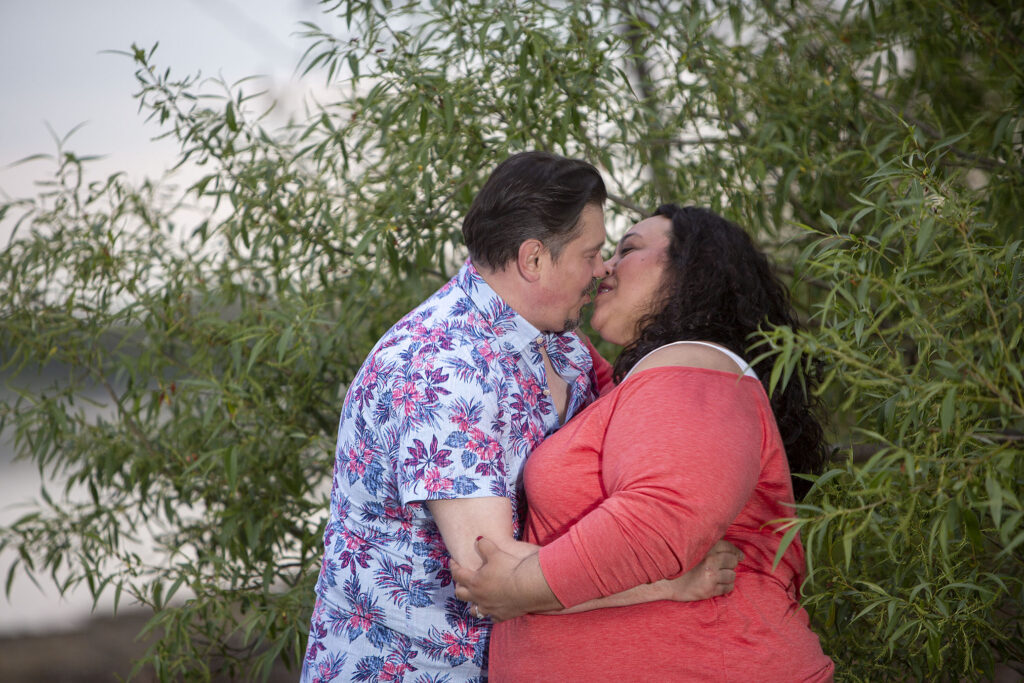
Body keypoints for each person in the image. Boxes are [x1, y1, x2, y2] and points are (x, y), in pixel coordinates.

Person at [301, 155, 741, 683]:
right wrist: (671, 580)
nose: (603, 269)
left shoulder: (565, 351)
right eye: (592, 253)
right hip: (413, 670)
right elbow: (492, 579)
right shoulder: (441, 370)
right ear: (534, 259)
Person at [453, 204, 835, 681]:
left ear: (694, 270)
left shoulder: (696, 365)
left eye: (627, 249)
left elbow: (661, 518)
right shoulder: (624, 387)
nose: (603, 267)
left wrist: (517, 589)